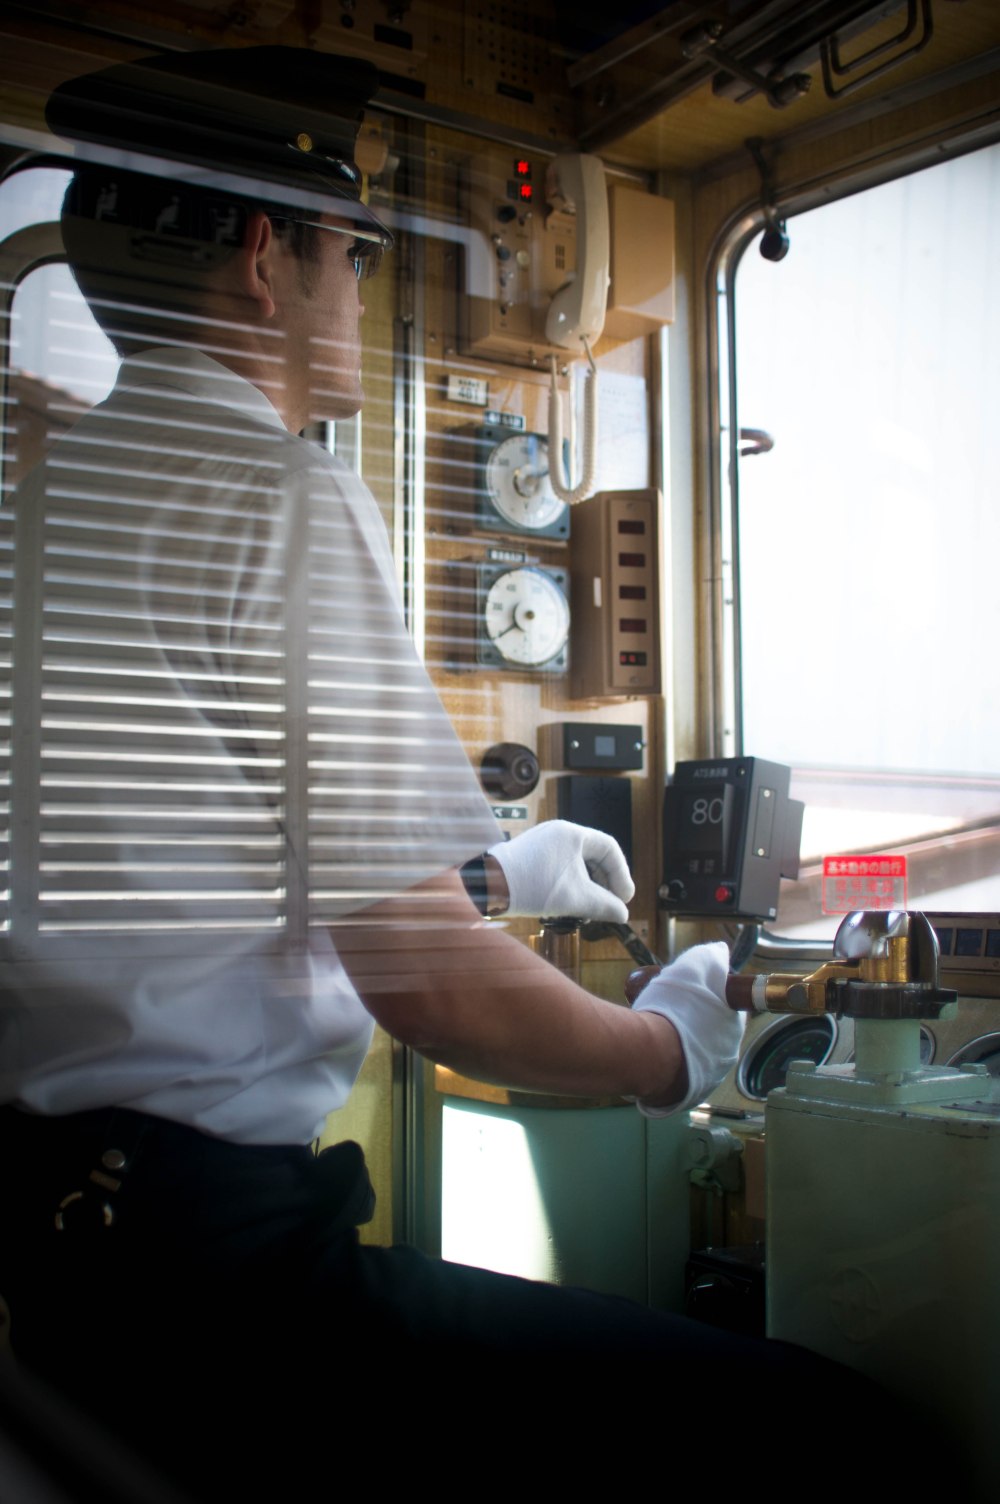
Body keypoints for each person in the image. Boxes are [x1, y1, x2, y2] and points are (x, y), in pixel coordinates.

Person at [0, 46, 876, 1497]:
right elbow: (436, 996)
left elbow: (175, 889)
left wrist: (488, 875)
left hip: (65, 1252)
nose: (361, 285)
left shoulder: (44, 508)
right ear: (268, 258)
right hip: (218, 1283)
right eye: (353, 250)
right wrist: (668, 1051)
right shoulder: (275, 487)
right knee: (841, 1439)